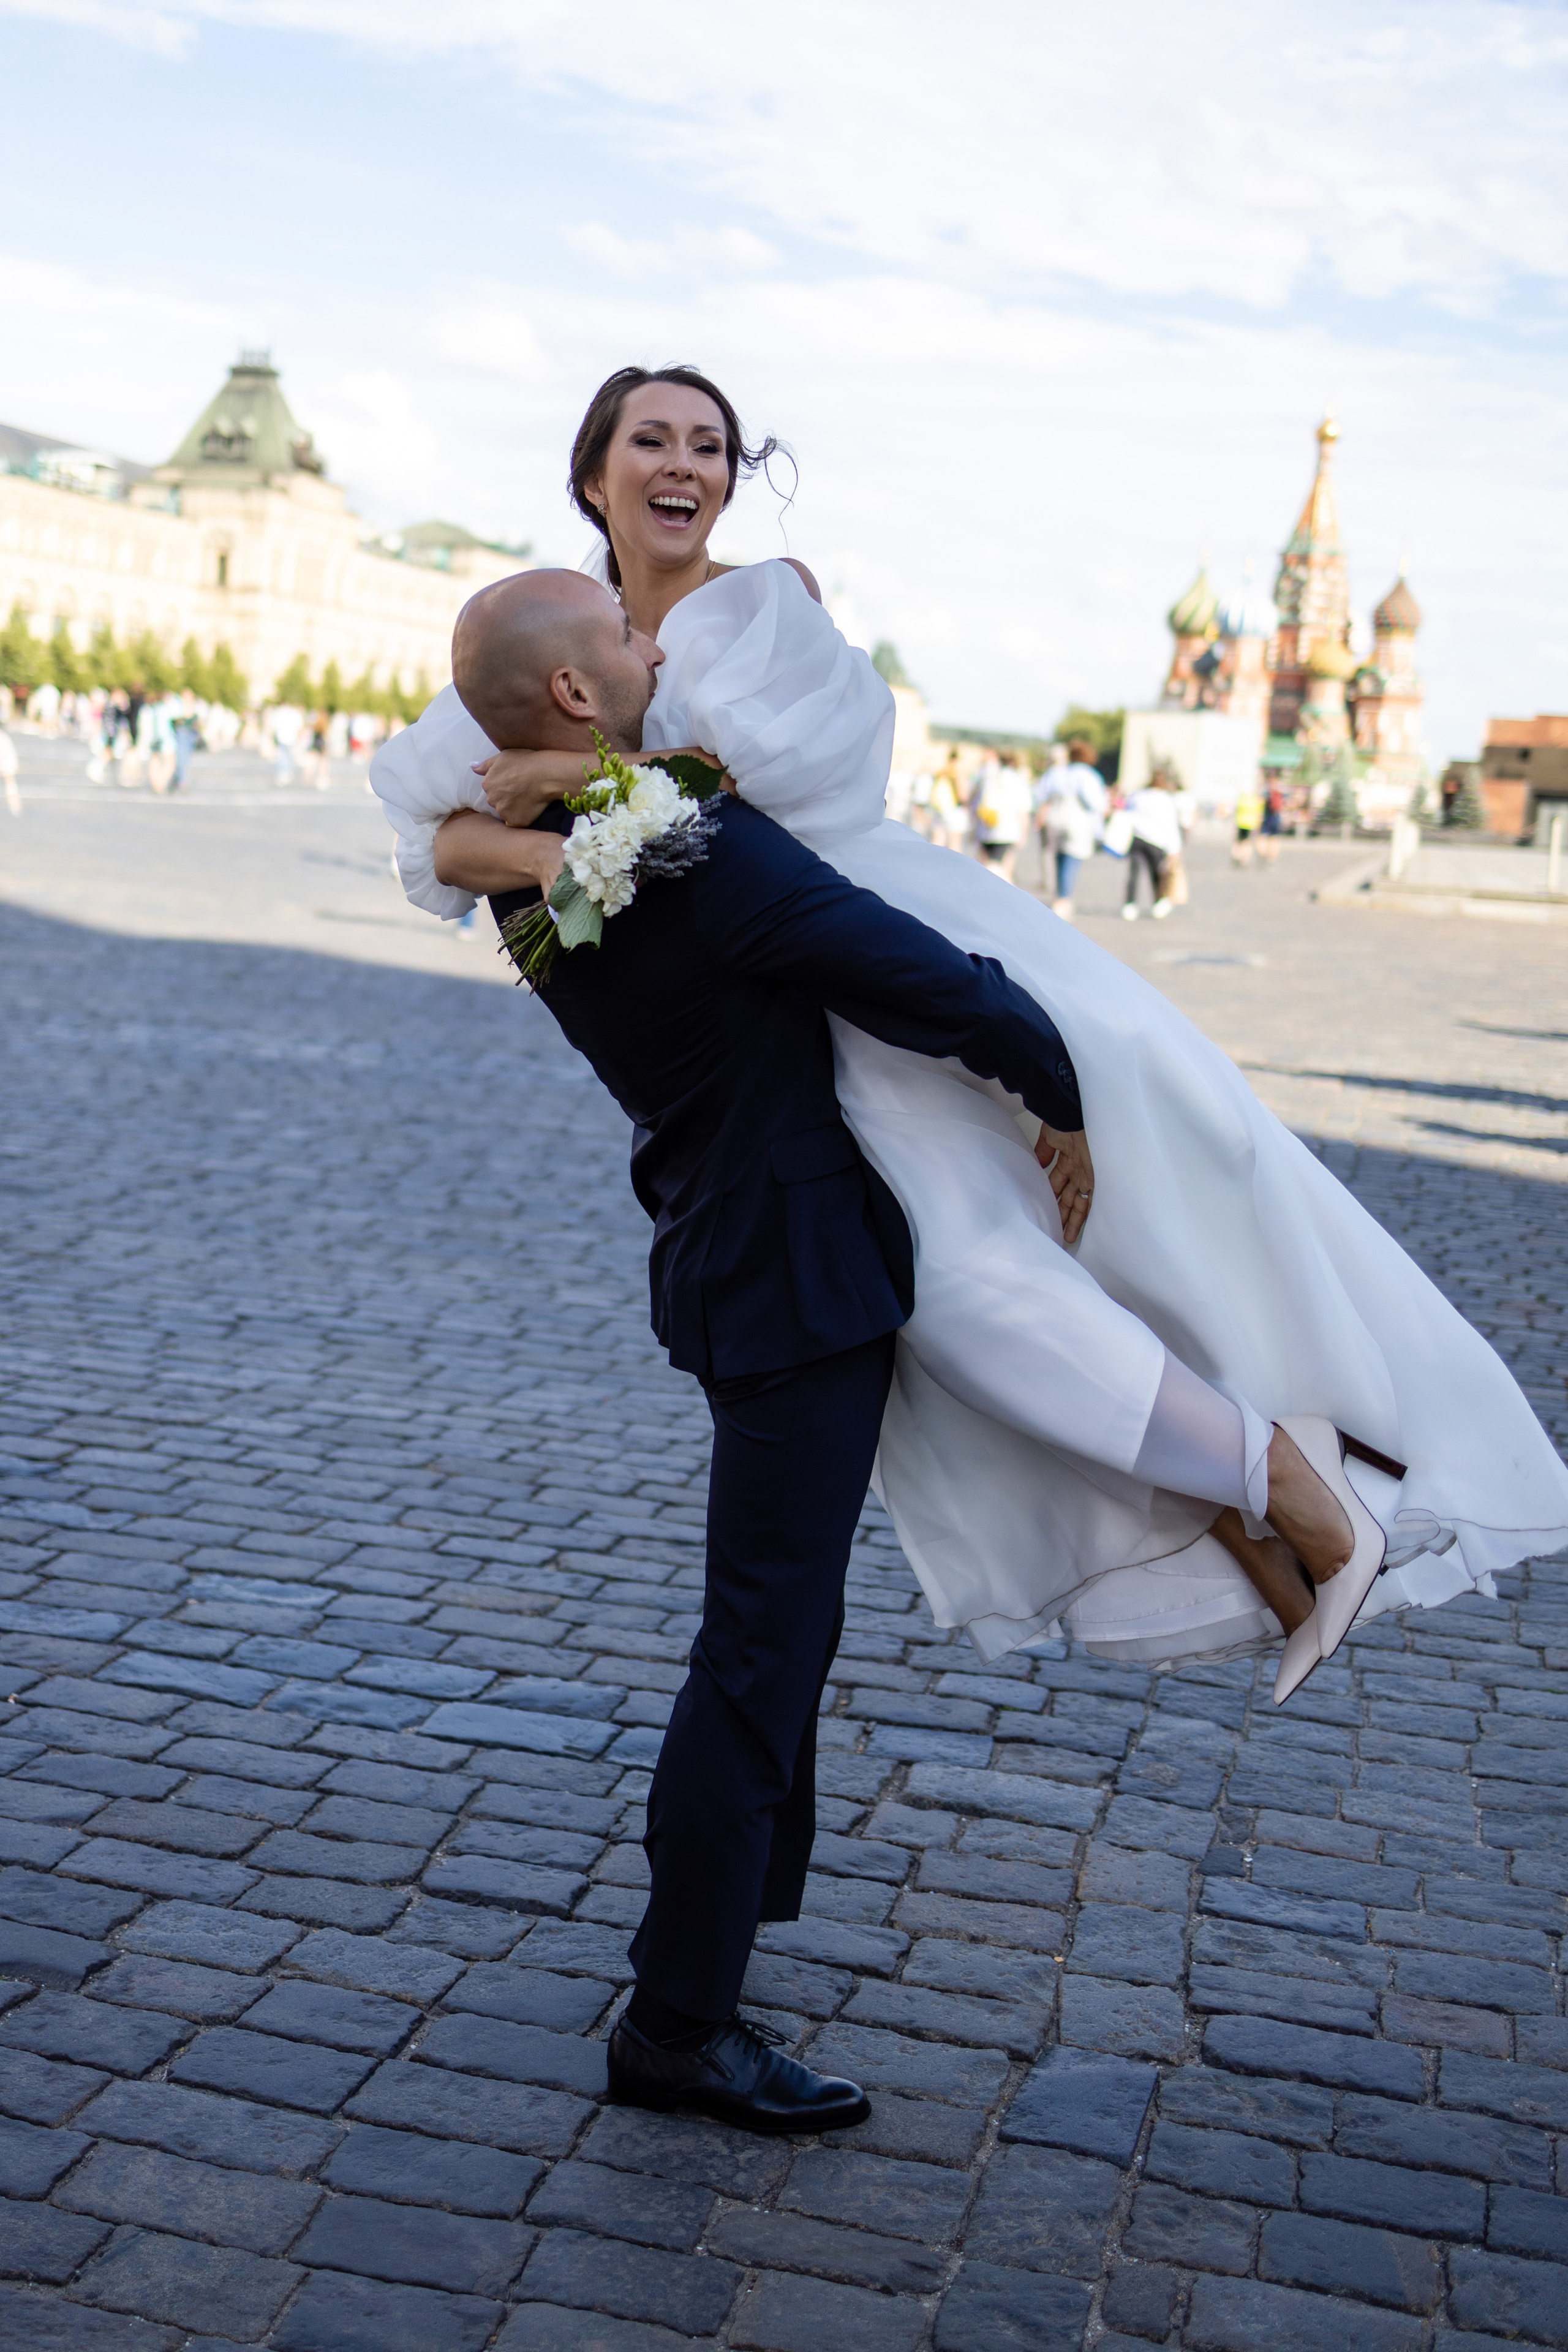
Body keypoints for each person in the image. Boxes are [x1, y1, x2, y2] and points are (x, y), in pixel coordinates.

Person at [374, 361, 1568, 1697]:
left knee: (977, 1287)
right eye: (649, 438)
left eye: (709, 445)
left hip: (875, 953)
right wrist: (546, 849)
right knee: (965, 1302)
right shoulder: (543, 623)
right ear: (592, 469)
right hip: (774, 1025)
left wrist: (590, 777)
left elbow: (780, 796)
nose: (683, 464)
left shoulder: (770, 606)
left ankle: (1287, 1485)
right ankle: (1258, 1494)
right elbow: (433, 831)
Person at [424, 567, 1093, 2132]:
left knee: (770, 1634)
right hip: (791, 1276)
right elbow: (912, 974)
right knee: (757, 1649)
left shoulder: (544, 883)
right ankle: (679, 2014)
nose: (653, 641)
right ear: (582, 696)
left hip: (731, 1251)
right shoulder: (690, 858)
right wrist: (1056, 1079)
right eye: (624, 638)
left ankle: (727, 1936)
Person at [1040, 737, 1107, 919]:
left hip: (1055, 819)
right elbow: (1097, 804)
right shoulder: (1088, 776)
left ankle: (1059, 895)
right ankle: (1063, 899)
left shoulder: (1058, 773)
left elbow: (1042, 794)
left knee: (1059, 857)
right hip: (1077, 822)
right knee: (1072, 859)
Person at [1121, 759, 1185, 920]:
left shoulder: (1139, 796)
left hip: (1137, 838)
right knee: (1156, 874)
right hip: (1157, 842)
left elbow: (1128, 813)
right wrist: (1175, 850)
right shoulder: (1167, 800)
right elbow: (1171, 826)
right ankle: (1159, 902)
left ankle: (1130, 905)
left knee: (1134, 873)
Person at [972, 750, 1035, 883]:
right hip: (1008, 830)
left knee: (986, 866)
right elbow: (1023, 810)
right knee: (1003, 868)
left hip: (986, 827)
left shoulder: (989, 779)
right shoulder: (1018, 781)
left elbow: (977, 805)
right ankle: (1007, 893)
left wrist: (974, 829)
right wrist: (1024, 833)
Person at [1233, 776, 1266, 865]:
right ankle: (1245, 860)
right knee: (1247, 843)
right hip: (1251, 824)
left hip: (1240, 823)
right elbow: (1260, 814)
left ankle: (1237, 857)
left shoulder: (1242, 798)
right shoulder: (1256, 800)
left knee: (1239, 841)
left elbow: (1236, 810)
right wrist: (1259, 825)